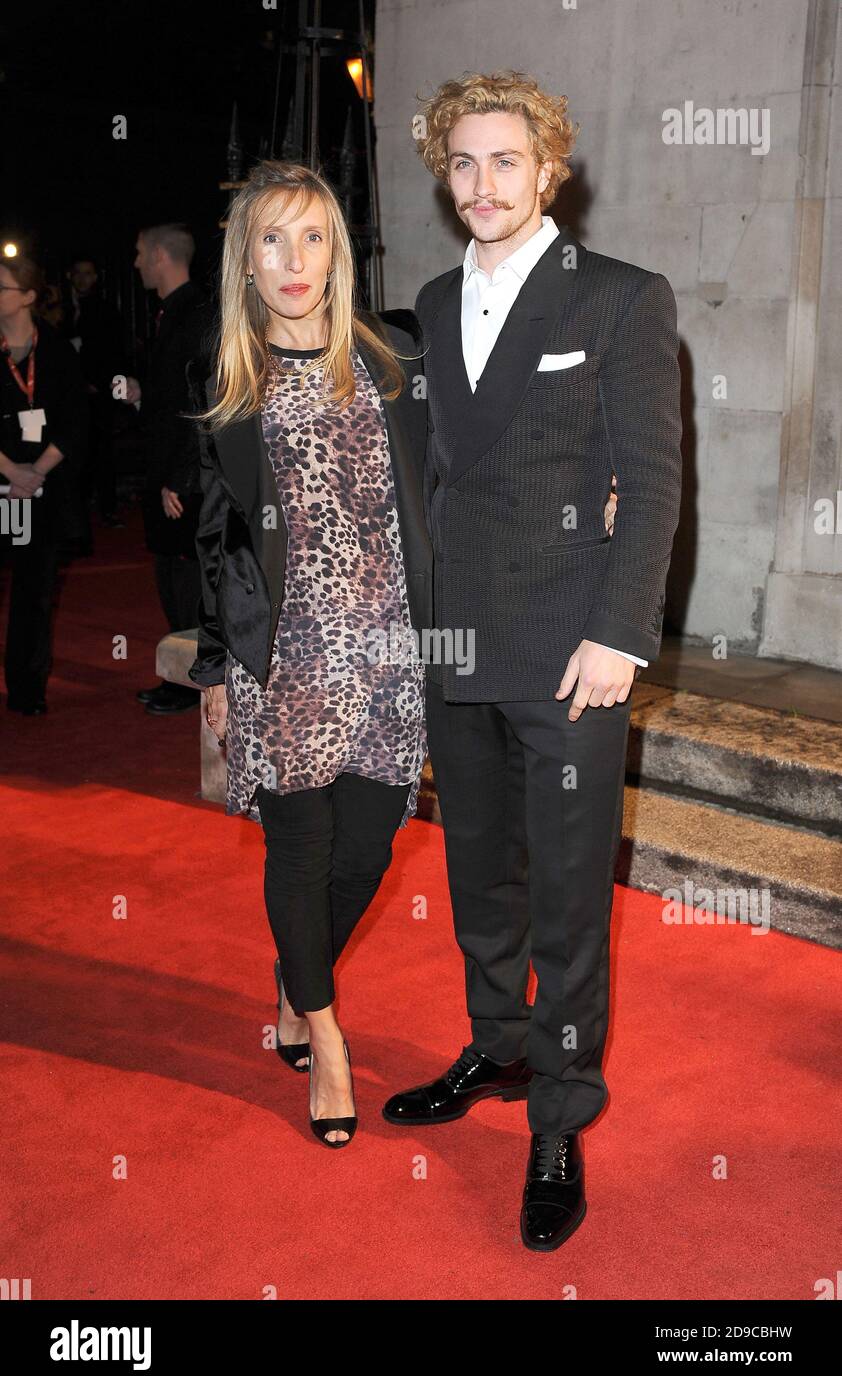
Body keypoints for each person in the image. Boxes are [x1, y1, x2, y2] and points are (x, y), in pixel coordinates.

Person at [383, 71, 683, 1252]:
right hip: (459, 640)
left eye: (505, 161)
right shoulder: (424, 295)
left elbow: (653, 484)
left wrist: (618, 633)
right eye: (460, 163)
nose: (481, 185)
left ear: (547, 169)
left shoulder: (617, 298)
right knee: (479, 879)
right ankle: (499, 1050)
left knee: (564, 897)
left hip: (569, 651)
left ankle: (558, 1113)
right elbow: (436, 474)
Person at [186, 160, 431, 1147]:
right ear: (244, 261)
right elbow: (217, 536)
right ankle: (322, 1035)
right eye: (272, 240)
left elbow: (459, 475)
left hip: (392, 654)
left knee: (368, 847)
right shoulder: (228, 388)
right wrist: (214, 666)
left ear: (338, 252)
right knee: (303, 844)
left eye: (313, 237)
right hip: (284, 658)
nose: (294, 261)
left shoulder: (395, 361)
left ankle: (298, 979)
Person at [128, 223, 215, 714]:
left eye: (141, 252)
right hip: (166, 469)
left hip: (181, 476)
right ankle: (182, 677)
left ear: (161, 255)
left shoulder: (195, 314)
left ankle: (190, 682)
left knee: (185, 577)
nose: (136, 262)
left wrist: (179, 478)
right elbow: (173, 395)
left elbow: (200, 404)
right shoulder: (170, 313)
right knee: (169, 571)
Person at [0, 254, 89, 714]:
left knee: (35, 593)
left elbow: (76, 420)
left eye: (2, 288)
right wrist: (11, 470)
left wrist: (37, 471)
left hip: (43, 490)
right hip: (3, 484)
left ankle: (27, 689)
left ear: (29, 297)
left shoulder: (54, 349)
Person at [63, 255, 126, 527]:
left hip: (97, 394)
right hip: (68, 396)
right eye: (78, 273)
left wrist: (97, 383)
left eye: (88, 273)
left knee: (102, 452)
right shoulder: (61, 310)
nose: (82, 279)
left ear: (96, 277)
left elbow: (111, 352)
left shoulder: (104, 309)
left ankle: (106, 509)